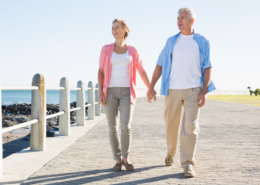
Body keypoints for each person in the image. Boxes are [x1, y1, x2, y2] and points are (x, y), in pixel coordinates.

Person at [147, 8, 216, 177]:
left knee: (190, 128)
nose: (179, 21)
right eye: (177, 18)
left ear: (192, 21)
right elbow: (160, 65)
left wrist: (204, 91)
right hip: (172, 89)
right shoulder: (171, 41)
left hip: (194, 90)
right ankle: (171, 152)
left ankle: (187, 164)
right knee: (171, 126)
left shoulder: (202, 41)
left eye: (182, 18)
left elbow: (207, 66)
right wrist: (151, 87)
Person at [98, 19, 154, 172]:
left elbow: (141, 70)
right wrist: (100, 92)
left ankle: (126, 158)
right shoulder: (106, 49)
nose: (114, 30)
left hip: (127, 92)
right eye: (112, 28)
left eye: (117, 27)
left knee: (126, 126)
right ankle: (117, 160)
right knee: (112, 127)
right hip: (109, 91)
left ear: (124, 30)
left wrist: (150, 88)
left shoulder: (133, 50)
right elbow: (101, 71)